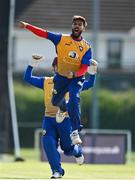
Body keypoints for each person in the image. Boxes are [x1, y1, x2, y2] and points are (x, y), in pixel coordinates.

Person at [19, 15, 92, 145]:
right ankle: (62, 110)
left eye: (80, 24)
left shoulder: (86, 47)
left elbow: (85, 67)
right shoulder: (61, 39)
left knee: (74, 99)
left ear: (84, 28)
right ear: (72, 25)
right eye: (75, 23)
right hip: (61, 77)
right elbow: (43, 33)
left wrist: (75, 74)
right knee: (56, 100)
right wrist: (27, 26)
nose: (77, 26)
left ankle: (75, 131)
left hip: (76, 78)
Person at [24, 54, 97, 179]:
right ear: (54, 68)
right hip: (49, 119)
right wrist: (32, 64)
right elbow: (28, 78)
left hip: (66, 120)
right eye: (61, 66)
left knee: (68, 149)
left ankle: (77, 151)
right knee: (48, 142)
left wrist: (93, 72)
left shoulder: (74, 83)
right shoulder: (47, 82)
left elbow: (89, 84)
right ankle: (57, 171)